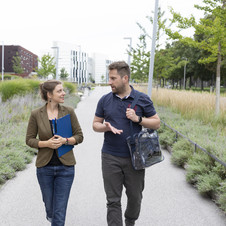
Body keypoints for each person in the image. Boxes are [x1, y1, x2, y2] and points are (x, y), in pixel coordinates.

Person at [92, 61, 160, 226]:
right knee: (113, 200)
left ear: (125, 78)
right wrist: (105, 127)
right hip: (110, 156)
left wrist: (138, 119)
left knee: (135, 197)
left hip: (135, 157)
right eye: (109, 78)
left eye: (113, 78)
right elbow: (95, 124)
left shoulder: (142, 99)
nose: (110, 82)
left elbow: (156, 123)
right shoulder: (105, 100)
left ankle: (130, 221)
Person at [26, 80, 83, 226]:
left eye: (63, 90)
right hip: (45, 168)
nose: (63, 93)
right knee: (50, 208)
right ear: (49, 95)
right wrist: (47, 144)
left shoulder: (68, 111)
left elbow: (79, 136)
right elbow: (30, 140)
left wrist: (65, 140)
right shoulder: (36, 114)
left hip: (66, 168)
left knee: (59, 211)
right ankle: (52, 217)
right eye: (59, 91)